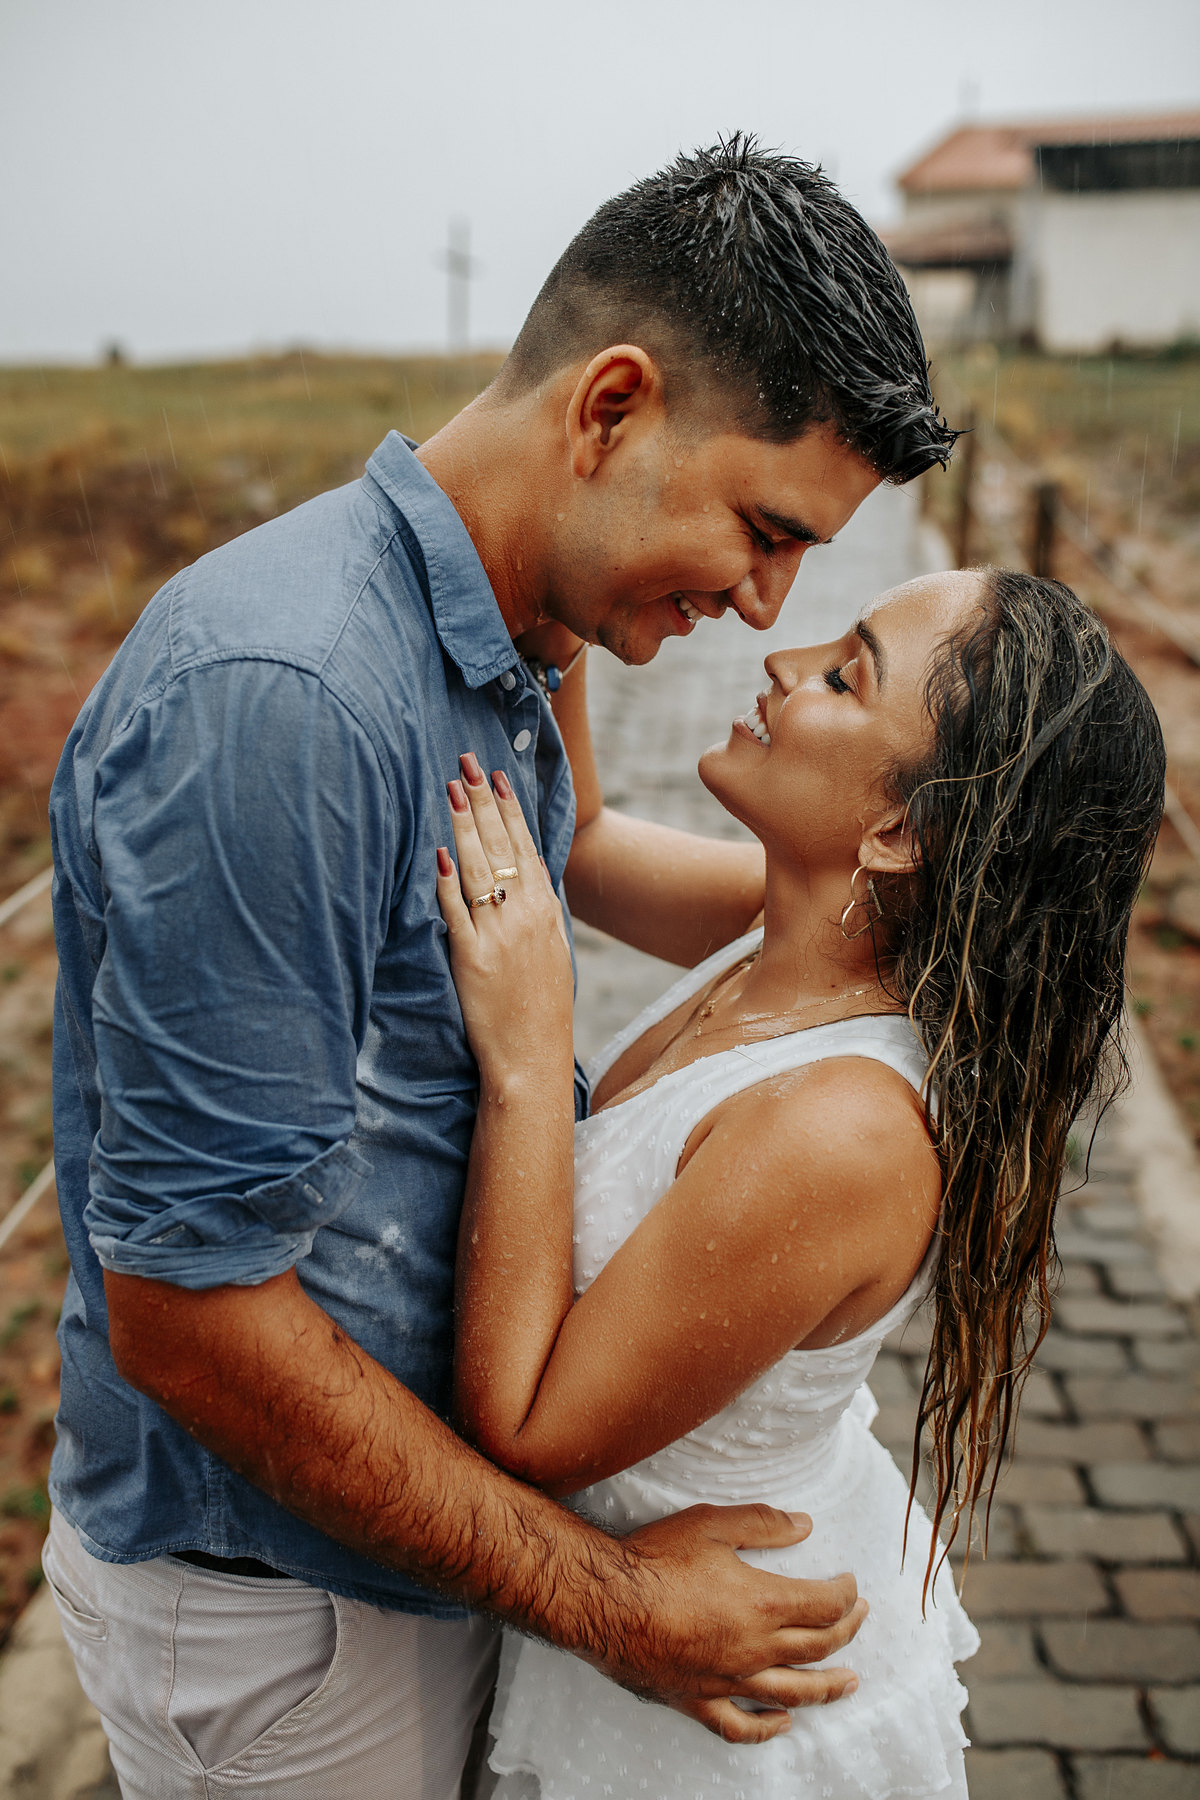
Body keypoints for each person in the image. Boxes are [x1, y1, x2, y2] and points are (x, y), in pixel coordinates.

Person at [44, 139, 956, 1795]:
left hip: (422, 1551)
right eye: (763, 529)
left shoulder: (512, 631)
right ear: (609, 407)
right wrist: (611, 1606)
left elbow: (601, 852)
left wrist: (932, 899)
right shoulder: (289, 700)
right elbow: (188, 1313)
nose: (769, 605)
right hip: (292, 1616)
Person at [434, 568, 1165, 1800]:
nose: (781, 656)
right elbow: (593, 848)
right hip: (646, 1604)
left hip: (726, 1690)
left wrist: (524, 1058)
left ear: (892, 835)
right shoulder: (796, 929)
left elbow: (526, 1430)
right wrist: (563, 594)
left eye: (844, 673)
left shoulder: (845, 1132)